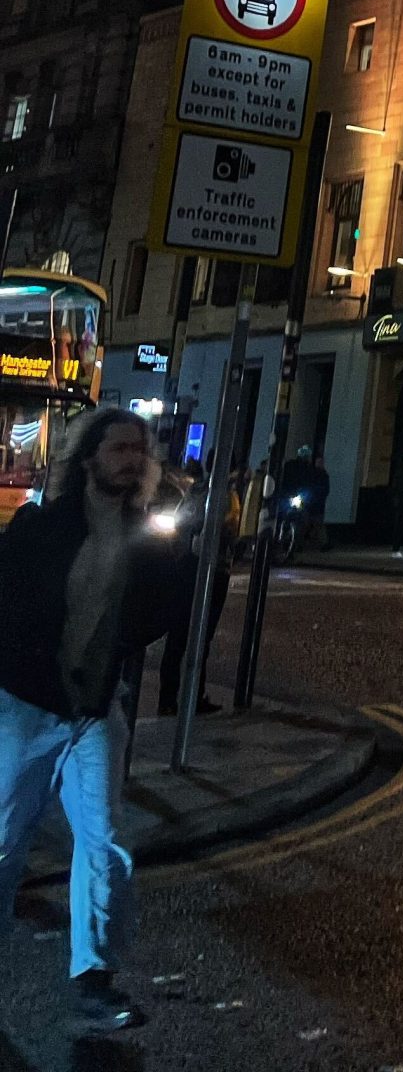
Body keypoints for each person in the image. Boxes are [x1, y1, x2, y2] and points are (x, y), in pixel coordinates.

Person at [0, 408, 184, 1034]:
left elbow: (160, 611)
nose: (132, 459)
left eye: (140, 449)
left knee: (103, 844)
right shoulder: (41, 526)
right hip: (28, 706)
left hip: (96, 711)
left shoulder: (143, 535)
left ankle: (94, 980)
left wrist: (174, 556)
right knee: (4, 846)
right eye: (119, 448)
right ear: (88, 458)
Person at [157, 463, 236, 717]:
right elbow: (230, 532)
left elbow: (179, 525)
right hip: (211, 570)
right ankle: (192, 697)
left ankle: (168, 699)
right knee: (200, 638)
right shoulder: (226, 495)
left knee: (178, 637)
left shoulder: (194, 492)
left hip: (187, 566)